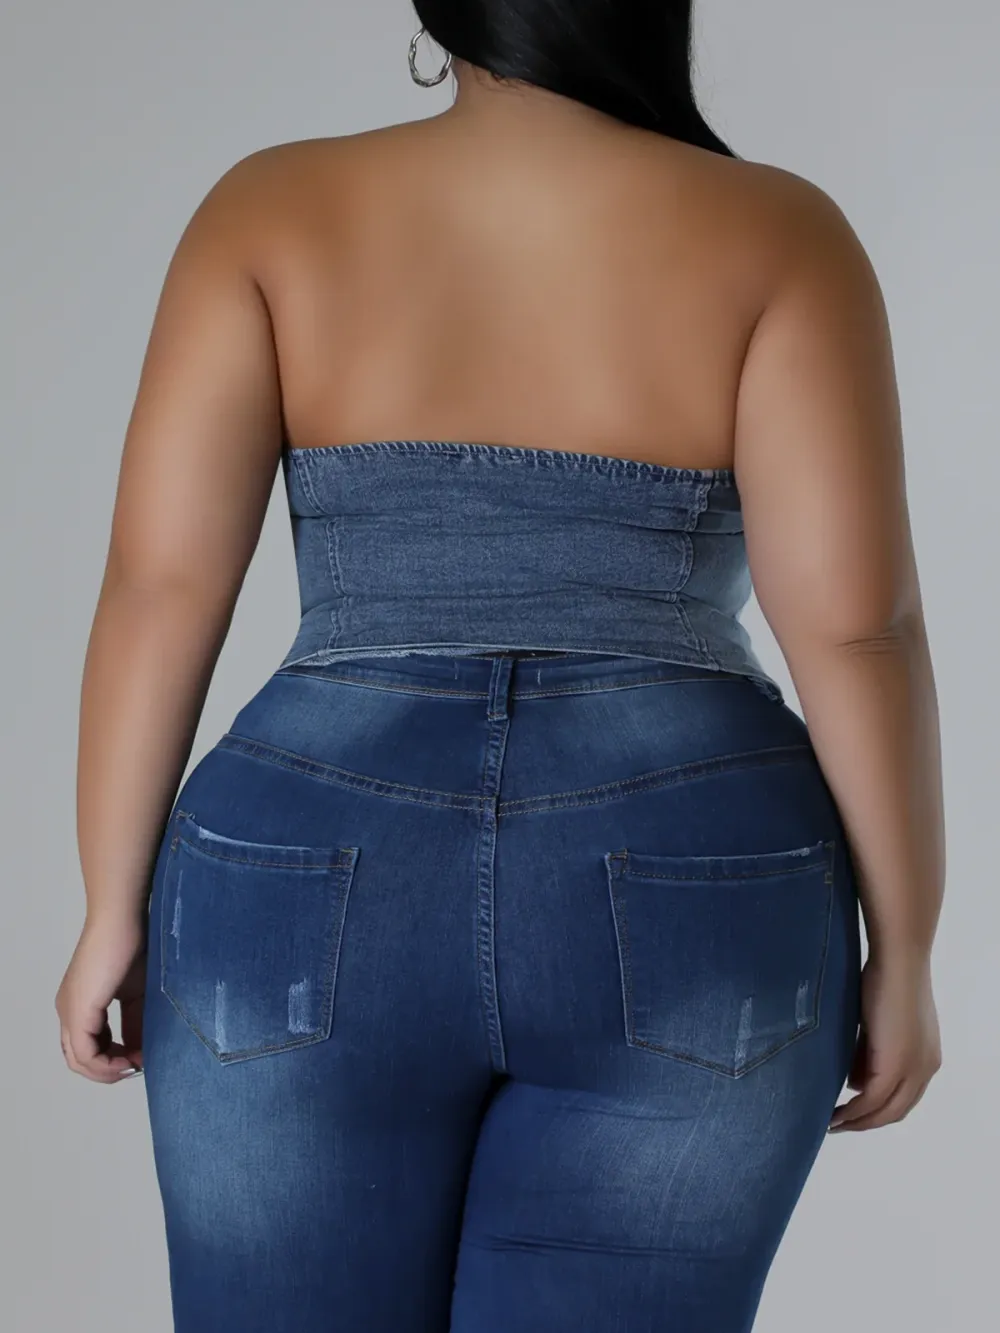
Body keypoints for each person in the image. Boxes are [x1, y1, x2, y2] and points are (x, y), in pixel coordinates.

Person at [55, 4, 945, 1330]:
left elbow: (160, 584)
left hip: (305, 863)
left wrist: (108, 904)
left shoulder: (272, 209)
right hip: (697, 868)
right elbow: (858, 626)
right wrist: (908, 946)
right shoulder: (776, 231)